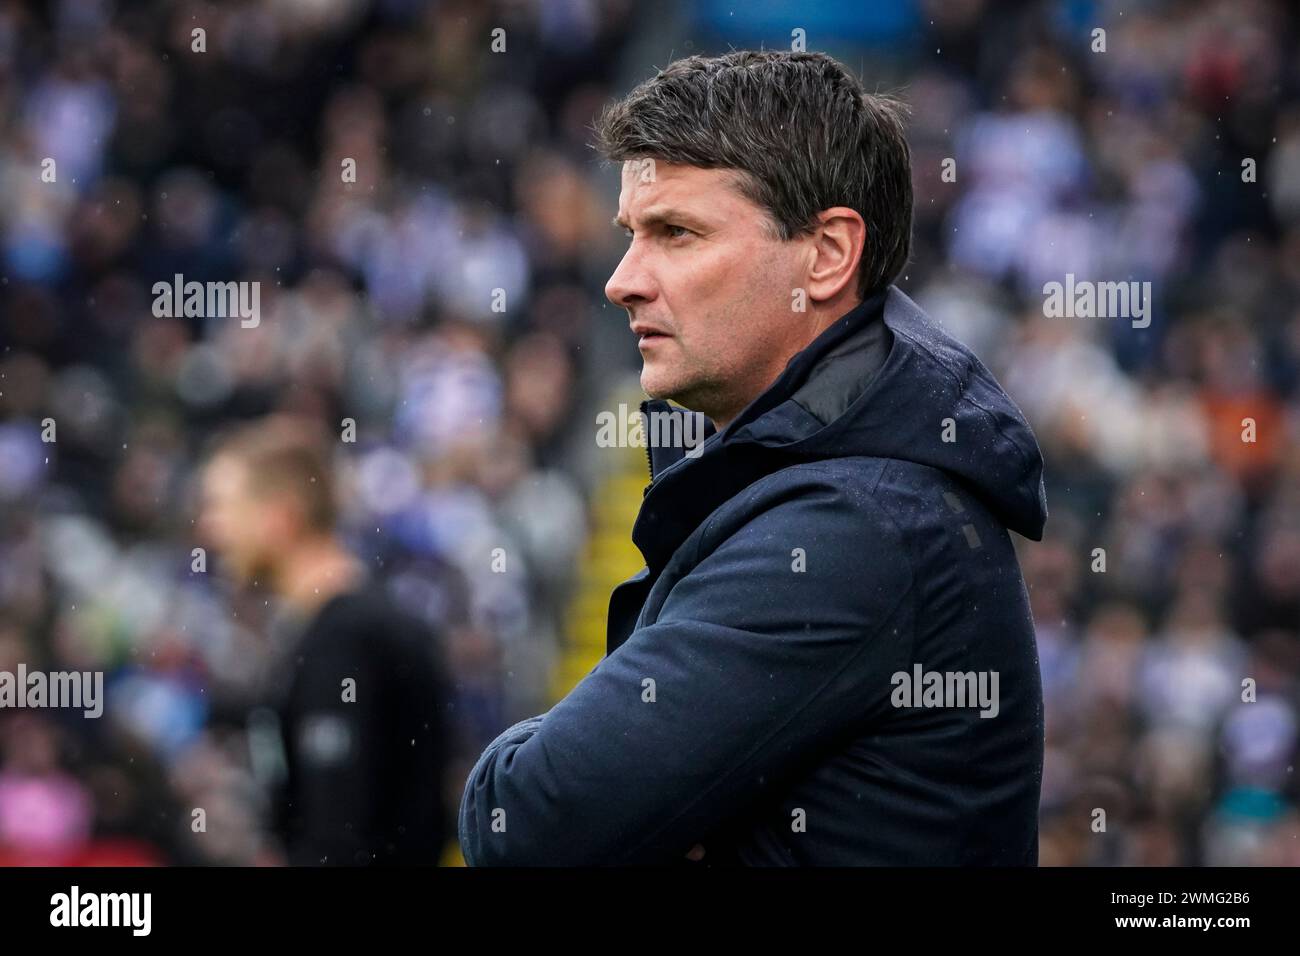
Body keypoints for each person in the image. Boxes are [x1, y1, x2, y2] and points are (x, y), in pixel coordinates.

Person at [459, 50, 1048, 866]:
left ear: (828, 255)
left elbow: (523, 823)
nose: (621, 280)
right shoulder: (839, 486)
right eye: (631, 235)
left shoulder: (854, 528)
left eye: (677, 233)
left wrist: (561, 761)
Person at [199, 417, 451, 865]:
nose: (210, 530)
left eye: (222, 506)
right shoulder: (335, 629)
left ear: (280, 516)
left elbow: (337, 843)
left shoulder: (348, 640)